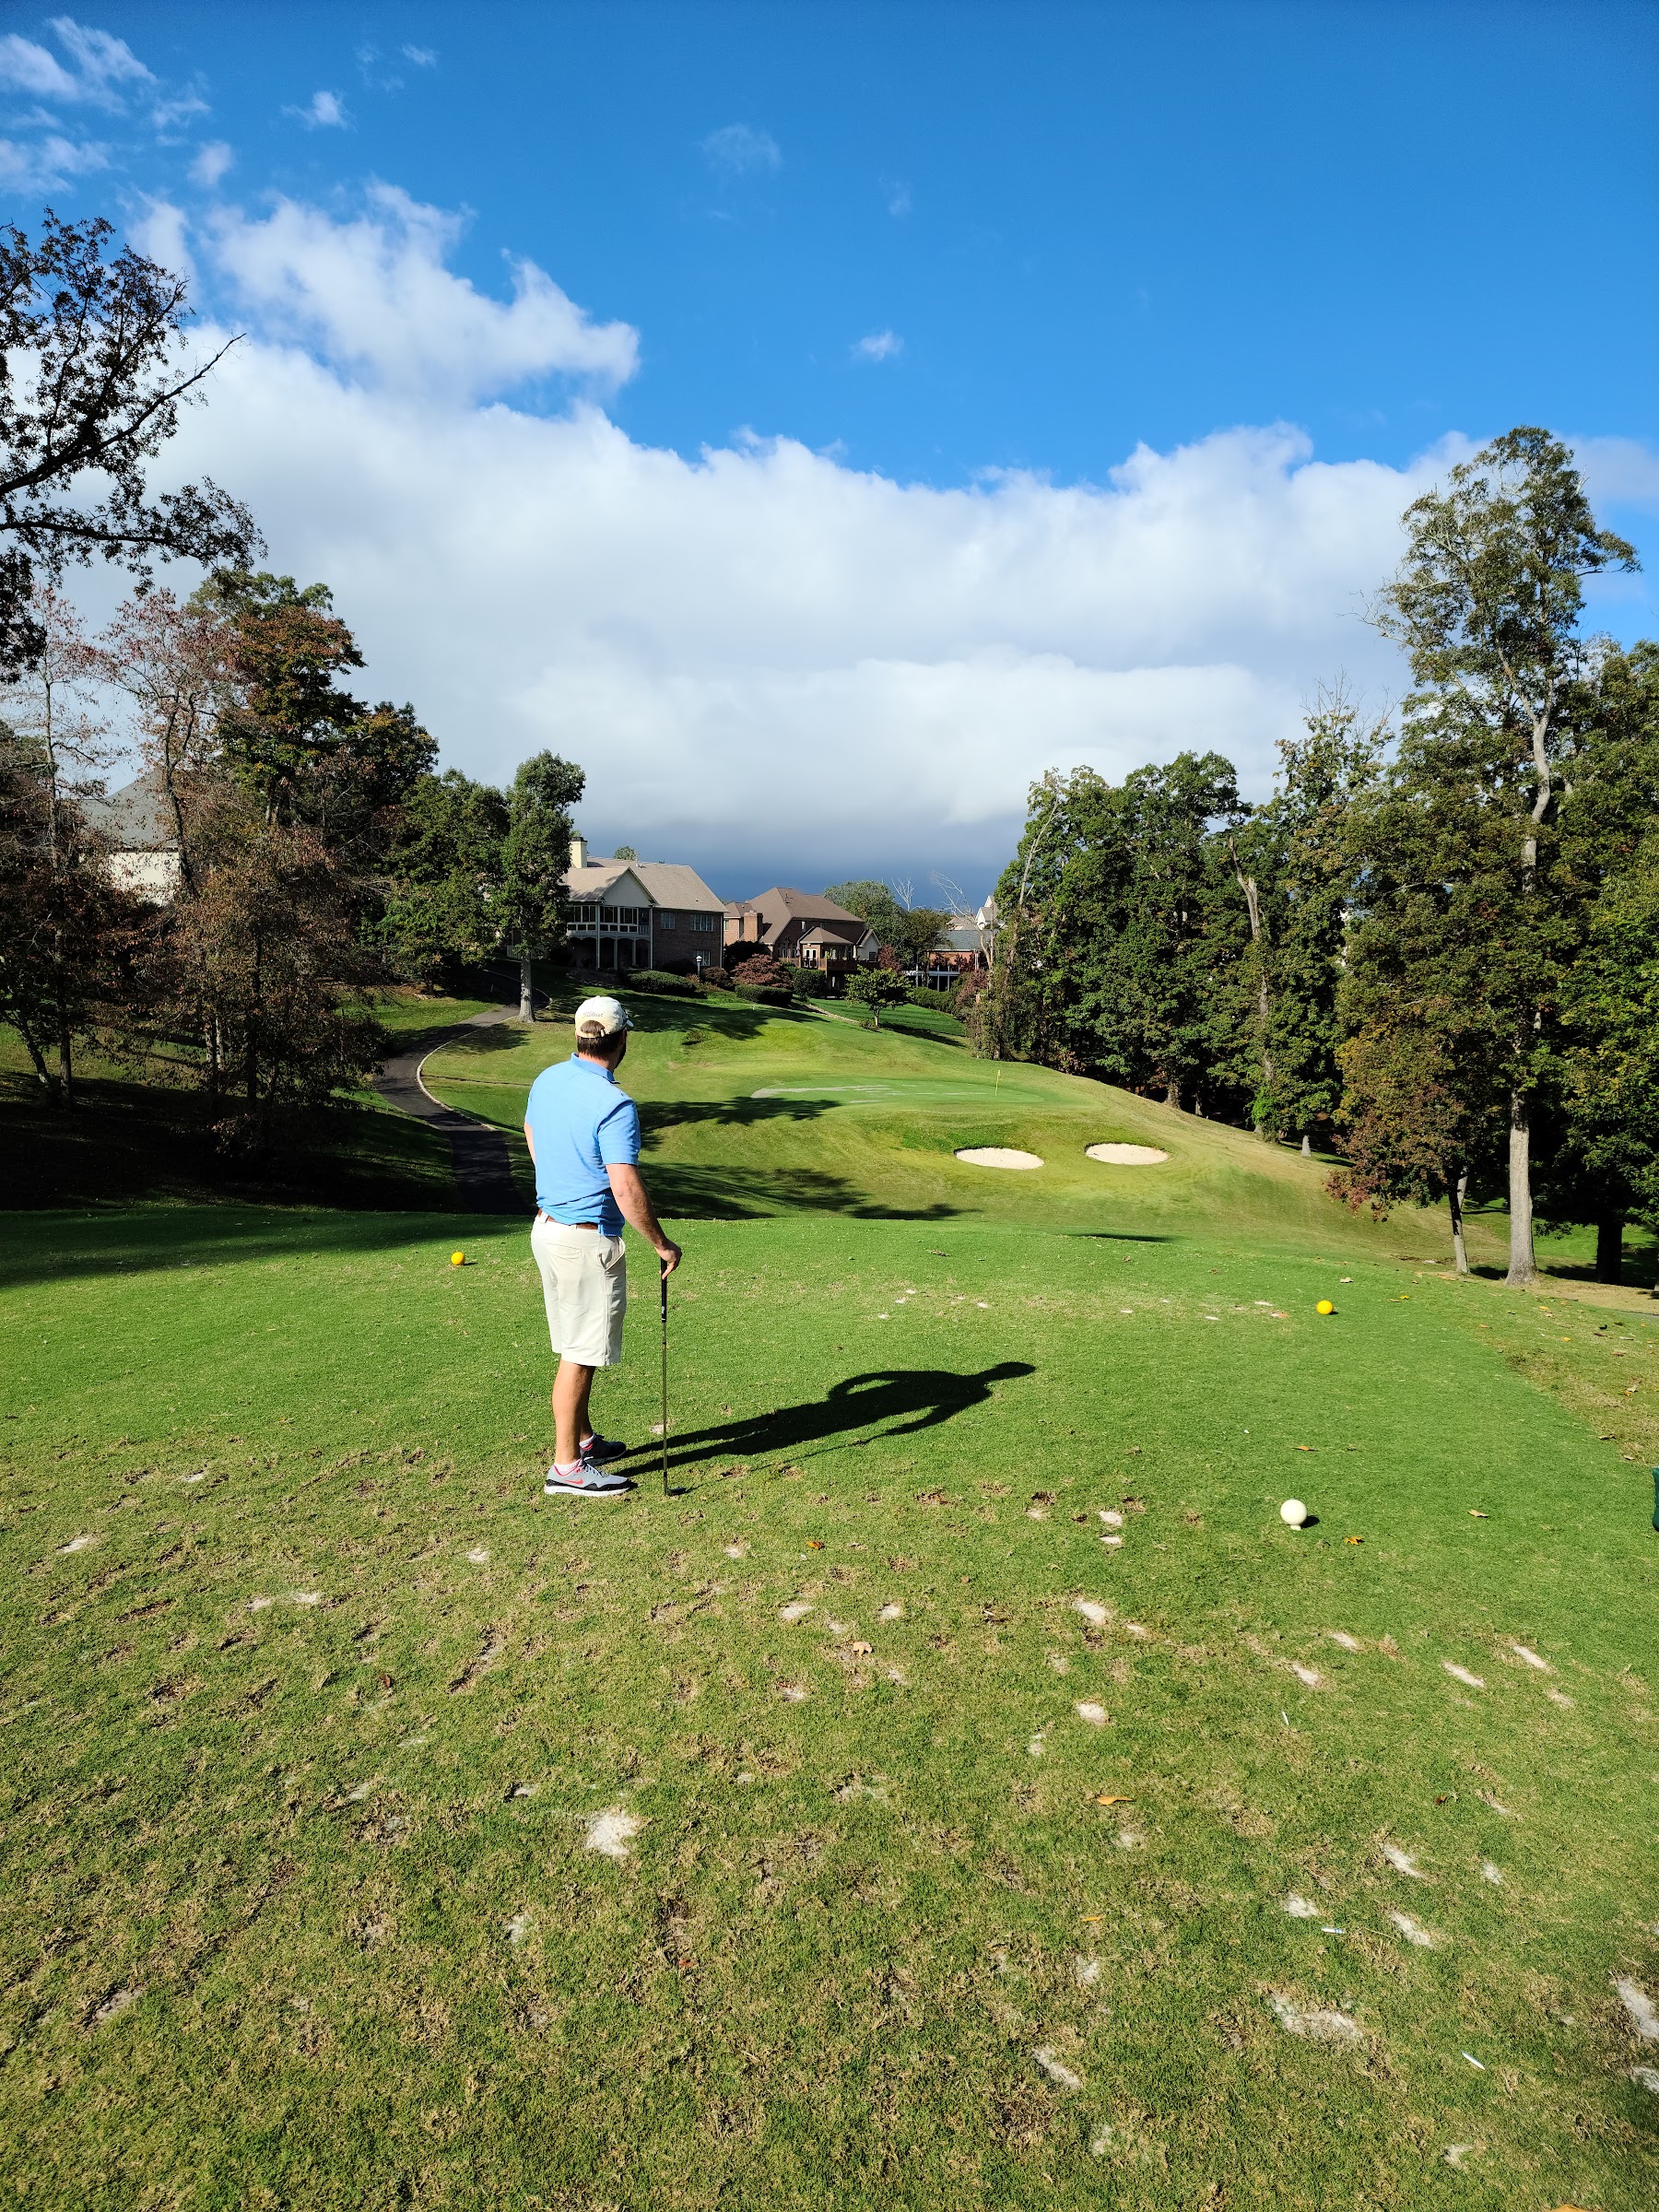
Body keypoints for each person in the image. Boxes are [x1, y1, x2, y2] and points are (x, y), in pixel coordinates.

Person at [523, 995, 681, 1497]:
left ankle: (583, 1439)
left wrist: (560, 1177)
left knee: (573, 1342)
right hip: (584, 1241)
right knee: (580, 1352)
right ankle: (566, 1467)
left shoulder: (548, 1078)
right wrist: (662, 1243)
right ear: (621, 1039)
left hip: (547, 1230)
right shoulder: (615, 1104)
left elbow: (531, 1132)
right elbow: (625, 1186)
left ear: (579, 1035)